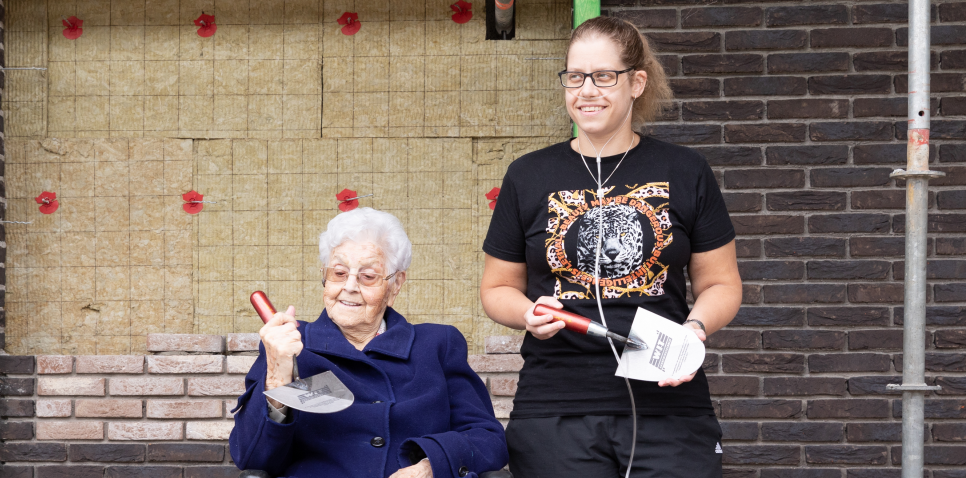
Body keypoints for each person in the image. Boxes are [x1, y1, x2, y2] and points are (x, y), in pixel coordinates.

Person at [480, 16, 742, 478]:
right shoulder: (527, 175)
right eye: (575, 77)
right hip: (556, 406)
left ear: (636, 82)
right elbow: (497, 287)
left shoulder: (685, 169)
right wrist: (527, 315)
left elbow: (721, 283)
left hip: (669, 403)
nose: (587, 91)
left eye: (604, 76)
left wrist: (693, 331)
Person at [230, 208, 508, 478]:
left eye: (368, 276)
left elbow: (487, 439)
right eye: (338, 273)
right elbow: (253, 458)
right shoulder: (290, 346)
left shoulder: (437, 344)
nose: (349, 286)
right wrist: (278, 376)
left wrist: (431, 466)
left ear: (396, 284)